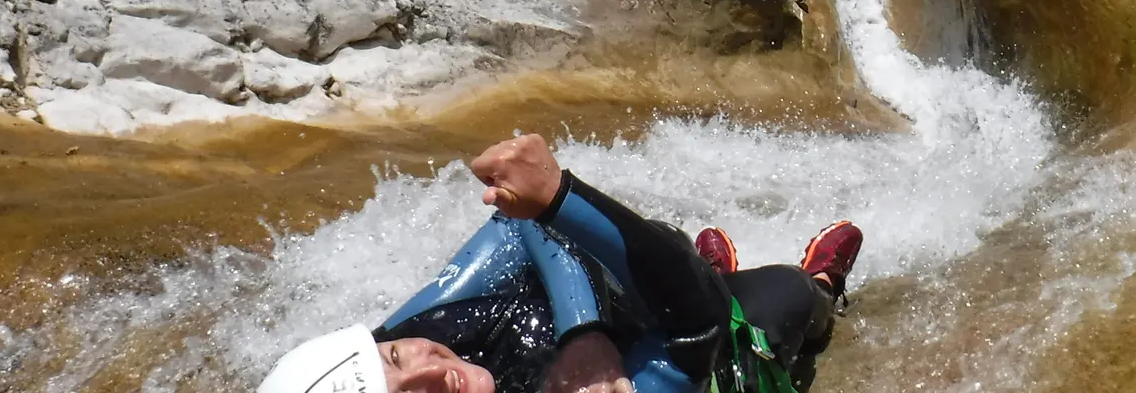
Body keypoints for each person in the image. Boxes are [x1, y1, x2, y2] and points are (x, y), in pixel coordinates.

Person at [257, 133, 863, 393]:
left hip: (643, 306)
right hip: (704, 354)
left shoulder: (418, 330)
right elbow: (695, 327)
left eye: (392, 356)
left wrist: (584, 334)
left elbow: (515, 223)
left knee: (650, 240)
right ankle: (823, 282)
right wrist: (562, 203)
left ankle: (703, 265)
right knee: (786, 297)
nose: (430, 370)